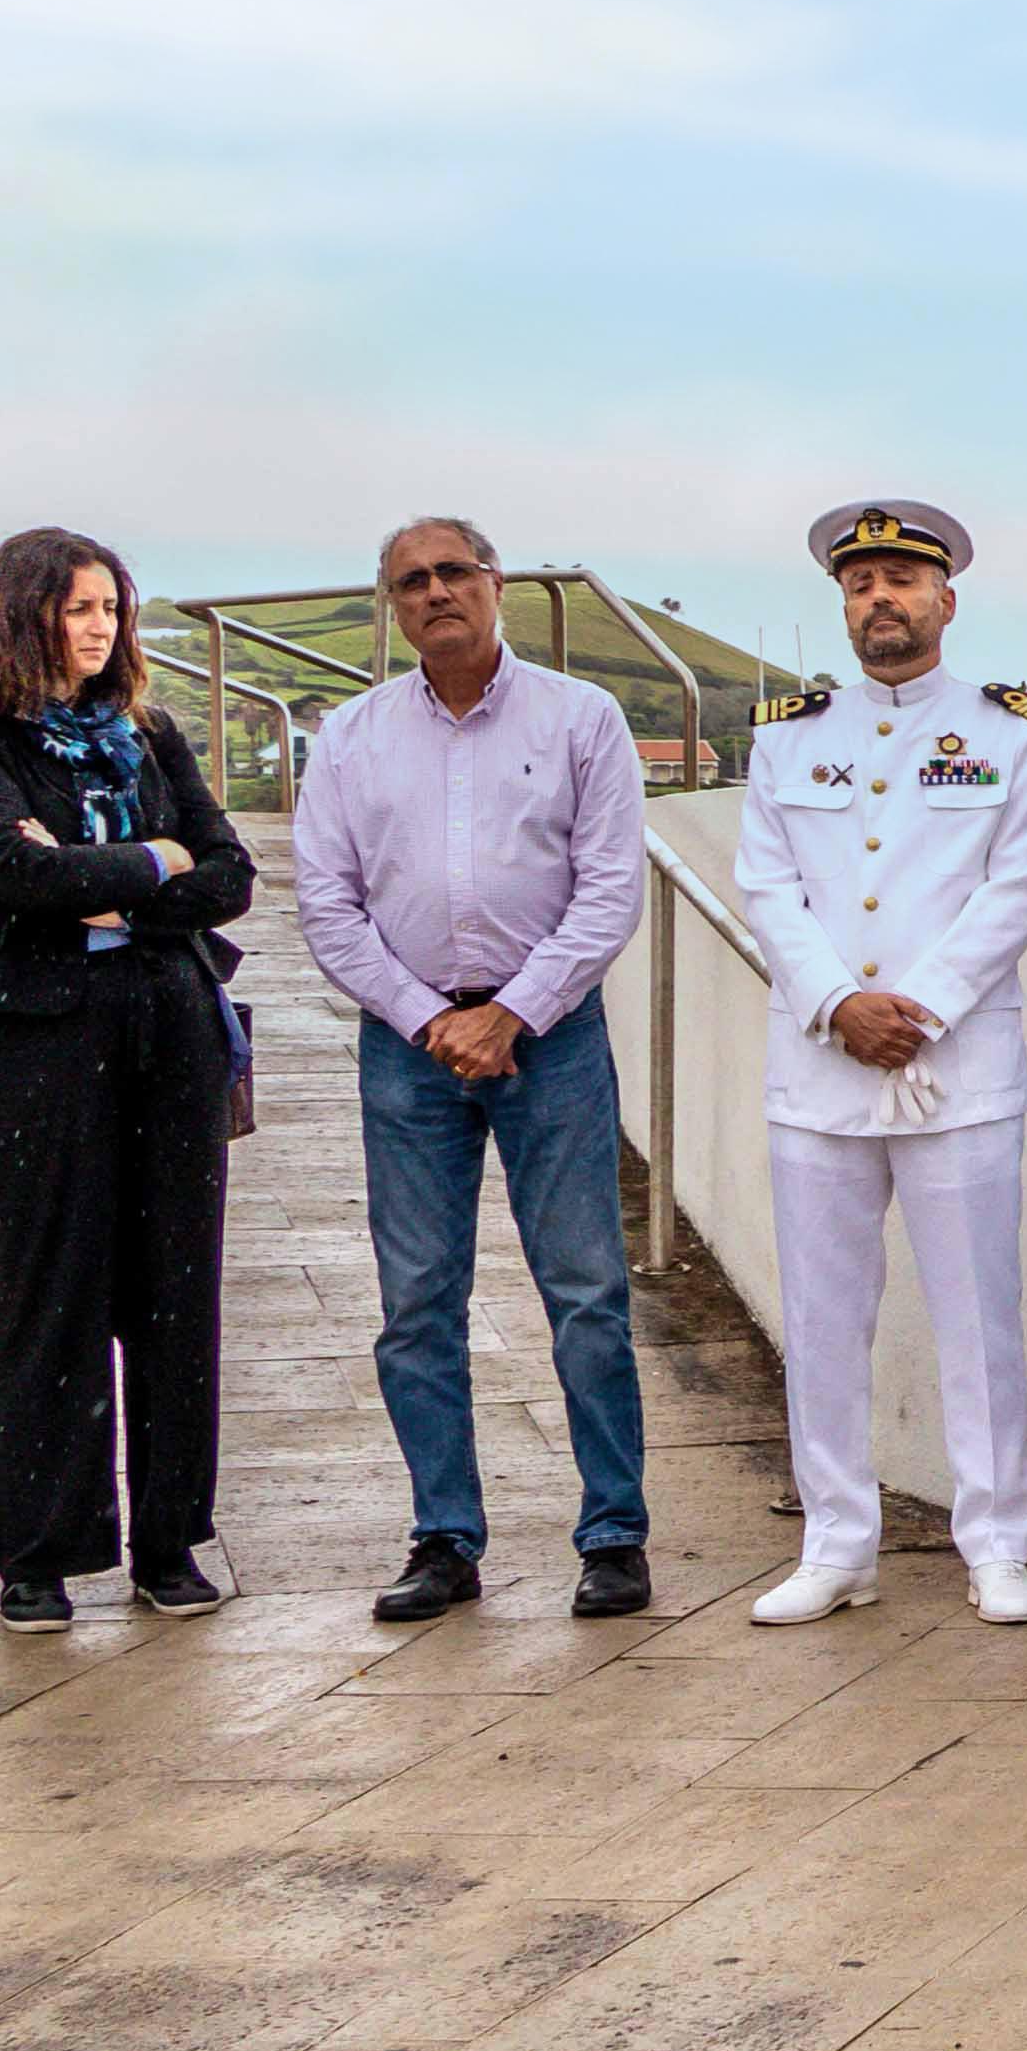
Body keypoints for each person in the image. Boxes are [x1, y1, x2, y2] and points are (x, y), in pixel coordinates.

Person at [293, 517, 653, 1627]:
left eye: (455, 572)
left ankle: (613, 1535)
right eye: (413, 581)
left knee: (585, 1290)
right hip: (410, 1052)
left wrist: (513, 1012)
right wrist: (422, 1016)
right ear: (393, 605)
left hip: (552, 1040)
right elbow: (326, 901)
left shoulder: (583, 718)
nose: (437, 592)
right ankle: (444, 1537)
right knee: (415, 1303)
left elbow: (609, 890)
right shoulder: (351, 738)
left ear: (495, 585)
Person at [0, 526, 254, 1633]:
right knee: (49, 1286)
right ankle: (40, 1554)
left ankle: (169, 1543)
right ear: (20, 615)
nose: (99, 627)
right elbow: (8, 871)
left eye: (110, 607)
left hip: (169, 1023)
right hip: (37, 1035)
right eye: (75, 608)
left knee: (173, 1286)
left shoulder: (147, 733)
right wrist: (156, 862)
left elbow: (233, 873)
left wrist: (113, 883)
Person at [736, 500, 1027, 1628]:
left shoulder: (1016, 735)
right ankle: (836, 1542)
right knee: (823, 1320)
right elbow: (767, 888)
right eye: (862, 581)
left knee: (980, 1316)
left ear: (946, 601)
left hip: (956, 1069)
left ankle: (996, 1541)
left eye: (902, 581)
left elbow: (1016, 888)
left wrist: (913, 1008)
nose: (881, 598)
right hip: (822, 1070)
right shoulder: (786, 737)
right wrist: (840, 1004)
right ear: (842, 601)